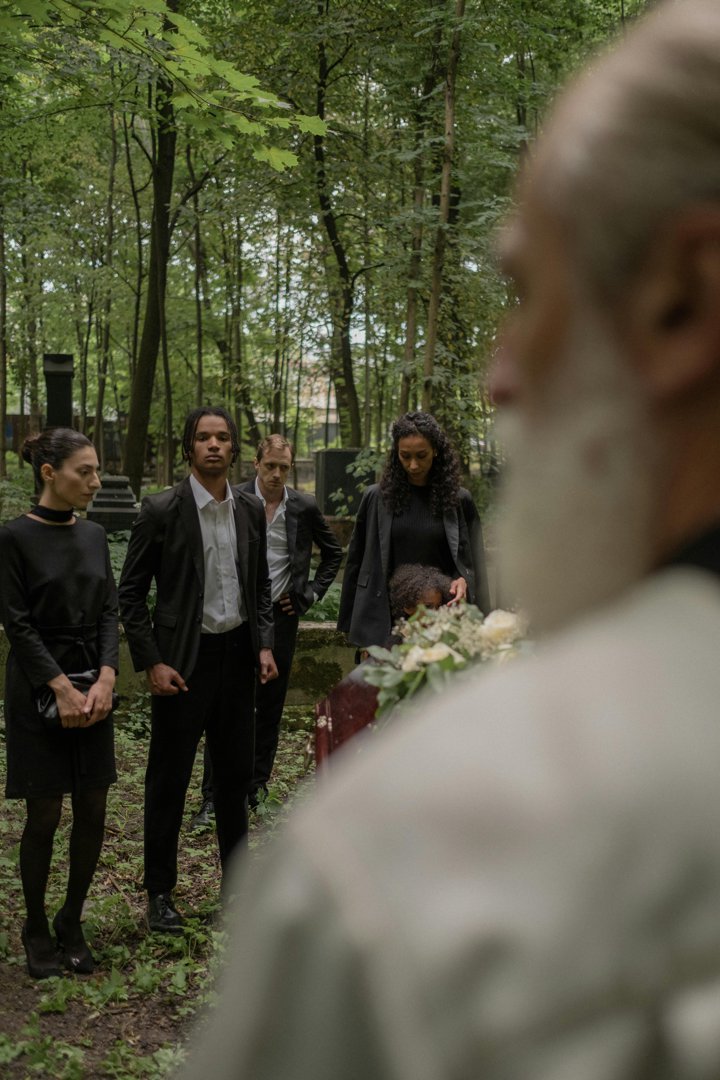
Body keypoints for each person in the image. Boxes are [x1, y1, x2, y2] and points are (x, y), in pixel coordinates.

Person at [178, 2, 720, 1076]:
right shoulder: (378, 506)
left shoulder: (406, 864)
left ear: (682, 300)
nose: (502, 374)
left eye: (531, 291)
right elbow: (369, 564)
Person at [118, 406, 277, 934]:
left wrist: (263, 645)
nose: (214, 445)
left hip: (236, 658)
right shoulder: (161, 509)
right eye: (204, 438)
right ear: (189, 447)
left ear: (234, 449)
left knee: (234, 780)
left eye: (223, 438)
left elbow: (258, 588)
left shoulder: (251, 510)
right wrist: (153, 662)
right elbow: (130, 595)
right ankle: (159, 894)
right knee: (169, 780)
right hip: (183, 664)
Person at [0, 429, 118, 979]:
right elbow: (16, 624)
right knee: (45, 811)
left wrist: (108, 677)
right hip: (37, 687)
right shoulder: (13, 538)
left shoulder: (94, 535)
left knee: (93, 804)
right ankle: (35, 927)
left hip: (94, 685)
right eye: (85, 472)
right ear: (49, 473)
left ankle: (72, 919)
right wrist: (59, 686)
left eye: (96, 471)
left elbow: (110, 612)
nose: (94, 481)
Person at [189, 434, 342, 824]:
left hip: (283, 618)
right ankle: (213, 797)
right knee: (226, 709)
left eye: (284, 468)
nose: (276, 474)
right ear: (255, 463)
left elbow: (334, 554)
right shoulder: (236, 499)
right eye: (270, 466)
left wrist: (308, 594)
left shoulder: (303, 506)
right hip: (240, 618)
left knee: (270, 707)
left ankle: (256, 787)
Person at [337, 411, 490, 650]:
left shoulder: (459, 501)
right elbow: (357, 562)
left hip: (442, 616)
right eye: (404, 456)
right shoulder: (376, 498)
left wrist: (465, 583)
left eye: (421, 456)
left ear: (436, 451)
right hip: (387, 619)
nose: (413, 465)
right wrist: (354, 627)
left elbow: (474, 563)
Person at [388, 563, 452, 624]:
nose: (435, 613)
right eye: (428, 606)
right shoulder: (398, 635)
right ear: (408, 607)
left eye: (438, 606)